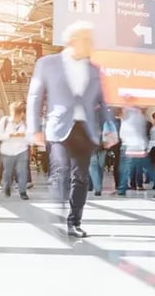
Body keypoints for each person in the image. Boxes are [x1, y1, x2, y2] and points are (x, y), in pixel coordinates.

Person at [27, 21, 117, 238]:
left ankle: (74, 222)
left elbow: (103, 102)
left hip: (85, 129)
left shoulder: (94, 70)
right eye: (87, 40)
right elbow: (35, 96)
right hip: (59, 128)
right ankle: (59, 210)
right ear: (73, 41)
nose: (91, 44)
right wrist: (34, 128)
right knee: (61, 171)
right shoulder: (47, 63)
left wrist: (110, 128)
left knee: (81, 177)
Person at [116, 99, 155, 198]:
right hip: (137, 146)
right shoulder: (135, 116)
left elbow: (130, 132)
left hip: (132, 147)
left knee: (125, 168)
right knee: (146, 168)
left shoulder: (132, 116)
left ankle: (122, 189)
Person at [0, 102, 30, 200]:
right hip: (7, 151)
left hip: (22, 150)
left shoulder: (25, 123)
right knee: (7, 172)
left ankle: (23, 191)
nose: (16, 117)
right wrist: (10, 135)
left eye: (19, 114)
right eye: (15, 114)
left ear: (22, 114)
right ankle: (7, 186)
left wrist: (24, 136)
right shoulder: (4, 121)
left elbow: (30, 137)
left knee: (22, 171)